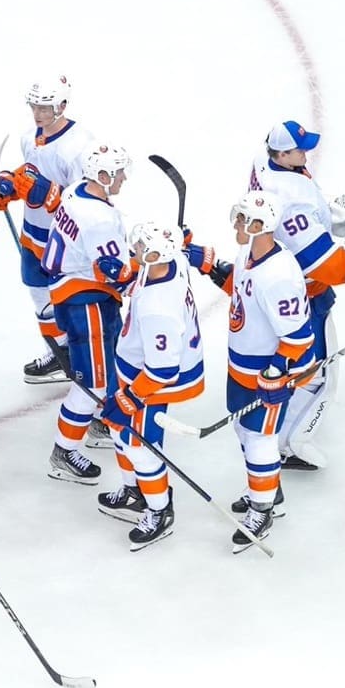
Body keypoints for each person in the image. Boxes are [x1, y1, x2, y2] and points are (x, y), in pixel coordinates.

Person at [185, 191, 313, 551]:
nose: (236, 224)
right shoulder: (249, 254)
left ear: (260, 226)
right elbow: (239, 292)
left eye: (243, 219)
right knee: (244, 429)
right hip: (241, 365)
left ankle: (262, 509)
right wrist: (207, 263)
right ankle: (271, 489)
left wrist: (277, 371)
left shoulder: (280, 275)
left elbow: (299, 337)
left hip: (267, 372)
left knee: (260, 439)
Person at [248, 120, 345, 471]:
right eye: (300, 149)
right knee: (317, 375)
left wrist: (328, 220)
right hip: (301, 292)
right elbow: (326, 266)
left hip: (270, 280)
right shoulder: (288, 193)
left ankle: (276, 431)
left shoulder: (266, 164)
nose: (307, 154)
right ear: (282, 153)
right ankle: (289, 444)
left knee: (291, 363)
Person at [95, 222, 206, 550]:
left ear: (157, 254)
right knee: (119, 433)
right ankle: (134, 492)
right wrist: (126, 277)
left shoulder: (160, 309)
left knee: (139, 445)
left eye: (142, 247)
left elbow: (163, 370)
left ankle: (159, 510)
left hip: (152, 382)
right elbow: (144, 277)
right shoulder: (169, 265)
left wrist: (129, 398)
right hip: (137, 370)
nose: (135, 250)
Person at [0, 77, 99, 384]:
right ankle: (59, 353)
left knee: (69, 301)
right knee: (40, 296)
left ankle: (84, 356)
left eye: (45, 107)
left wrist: (52, 196)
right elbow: (29, 174)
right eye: (34, 105)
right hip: (33, 233)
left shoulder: (80, 145)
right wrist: (9, 186)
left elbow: (89, 199)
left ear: (62, 105)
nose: (37, 113)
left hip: (66, 242)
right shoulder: (30, 137)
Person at [43, 145, 132, 485]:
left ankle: (97, 420)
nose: (123, 178)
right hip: (86, 303)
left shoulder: (75, 192)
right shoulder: (100, 218)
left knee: (110, 365)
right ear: (104, 176)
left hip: (76, 294)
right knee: (92, 380)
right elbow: (115, 272)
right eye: (119, 172)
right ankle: (63, 452)